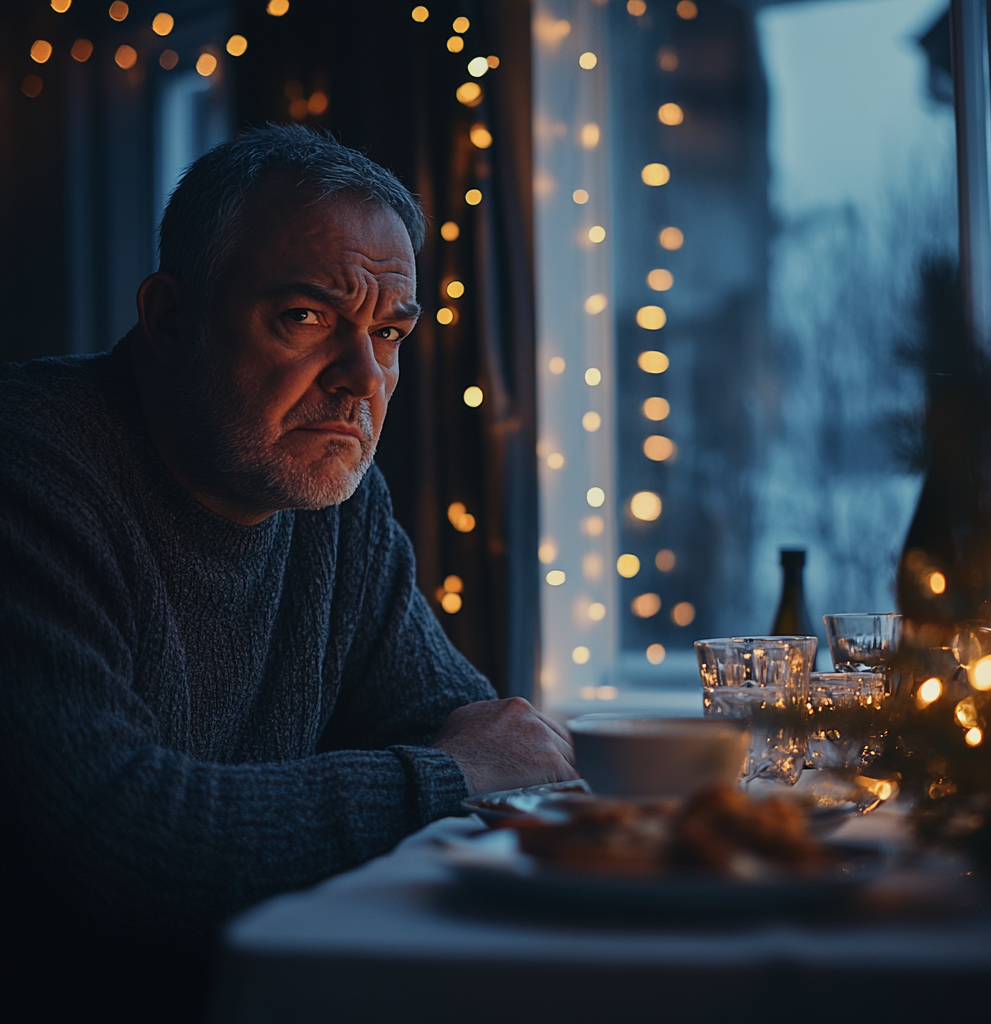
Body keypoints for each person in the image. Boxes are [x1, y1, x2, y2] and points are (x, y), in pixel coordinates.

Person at [0, 124, 576, 1024]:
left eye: (388, 333)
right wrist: (444, 775)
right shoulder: (31, 470)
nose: (360, 378)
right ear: (170, 318)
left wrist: (471, 762)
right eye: (306, 317)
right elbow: (120, 839)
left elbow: (465, 726)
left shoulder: (339, 498)